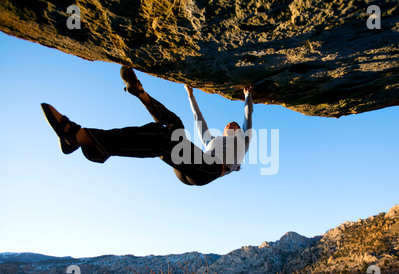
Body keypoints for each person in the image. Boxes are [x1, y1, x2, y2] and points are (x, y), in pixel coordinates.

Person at [41, 66, 254, 186]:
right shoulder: (212, 140)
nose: (229, 124)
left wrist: (248, 96)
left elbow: (247, 116)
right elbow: (199, 118)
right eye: (228, 124)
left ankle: (79, 136)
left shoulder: (244, 139)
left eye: (233, 125)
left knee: (162, 140)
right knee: (174, 125)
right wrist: (190, 95)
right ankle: (141, 93)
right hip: (192, 165)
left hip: (208, 170)